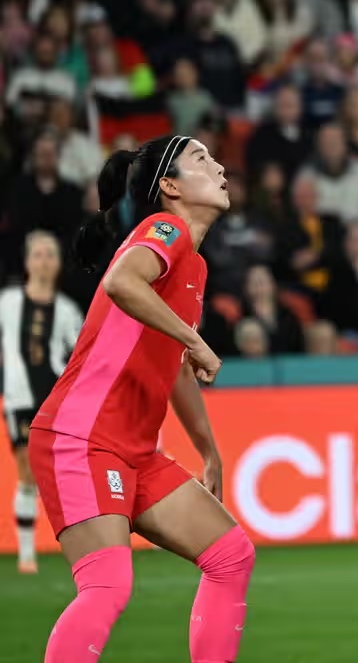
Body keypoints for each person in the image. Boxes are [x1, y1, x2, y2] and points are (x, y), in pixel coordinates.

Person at [27, 134, 256, 661]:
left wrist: (209, 449)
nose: (220, 166)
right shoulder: (164, 228)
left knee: (230, 555)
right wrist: (197, 338)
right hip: (80, 436)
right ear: (170, 187)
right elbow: (121, 283)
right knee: (107, 585)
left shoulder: (193, 266)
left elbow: (175, 369)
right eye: (202, 158)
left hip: (134, 451)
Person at [1, 230, 82, 574]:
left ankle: (78, 547)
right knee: (27, 469)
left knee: (66, 474)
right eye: (39, 254)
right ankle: (27, 554)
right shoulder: (7, 303)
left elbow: (80, 355)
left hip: (55, 401)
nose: (45, 260)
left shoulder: (66, 310)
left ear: (59, 263)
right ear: (27, 261)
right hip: (19, 398)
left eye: (51, 254)